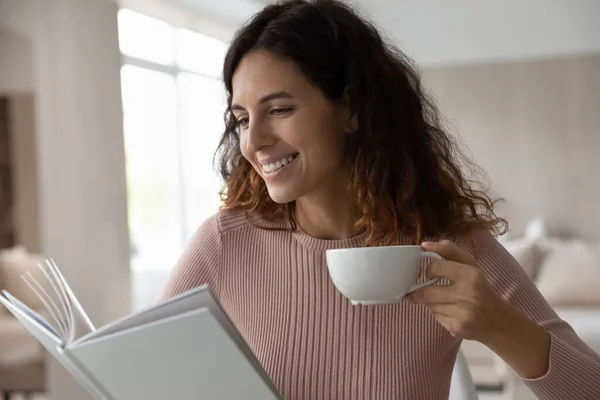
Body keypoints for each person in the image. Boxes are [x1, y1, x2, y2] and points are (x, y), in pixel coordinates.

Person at [158, 0, 600, 398]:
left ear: (351, 110)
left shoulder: (448, 244)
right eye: (241, 118)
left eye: (279, 110)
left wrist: (499, 325)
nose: (253, 141)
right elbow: (137, 373)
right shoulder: (225, 242)